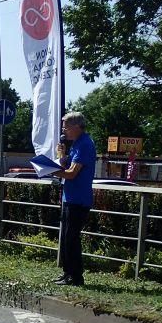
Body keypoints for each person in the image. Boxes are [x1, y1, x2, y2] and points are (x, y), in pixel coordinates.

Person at [52, 111, 97, 286]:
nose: (63, 131)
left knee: (71, 238)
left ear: (77, 127)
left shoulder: (85, 144)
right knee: (65, 238)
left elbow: (71, 173)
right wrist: (61, 155)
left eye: (66, 127)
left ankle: (76, 277)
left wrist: (51, 171)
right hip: (69, 197)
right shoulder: (76, 144)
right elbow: (66, 164)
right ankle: (67, 273)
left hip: (79, 199)